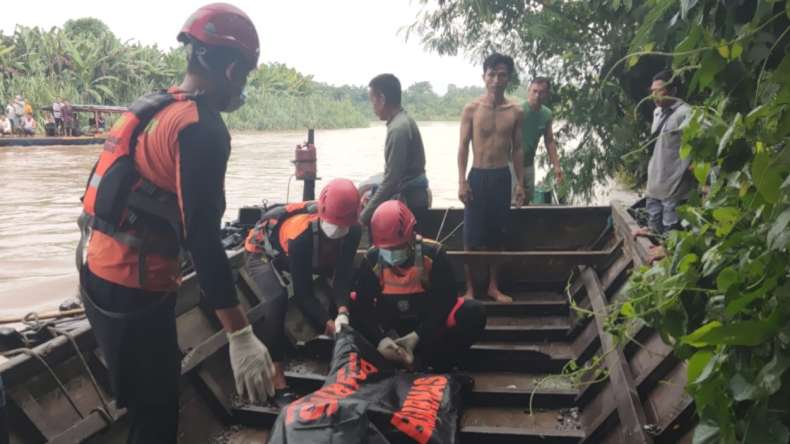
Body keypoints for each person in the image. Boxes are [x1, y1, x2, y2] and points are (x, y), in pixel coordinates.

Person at [76, 4, 269, 443]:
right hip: (132, 286)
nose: (243, 87)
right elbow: (201, 237)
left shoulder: (159, 106)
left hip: (97, 273)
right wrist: (239, 331)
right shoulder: (201, 128)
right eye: (246, 77)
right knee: (157, 415)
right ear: (233, 69)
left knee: (148, 402)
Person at [243, 178, 362, 404]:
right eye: (334, 225)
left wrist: (343, 311)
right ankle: (277, 379)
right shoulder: (302, 236)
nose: (338, 230)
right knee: (277, 298)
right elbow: (303, 294)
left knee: (348, 288)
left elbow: (343, 274)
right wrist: (327, 323)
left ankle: (336, 355)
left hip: (302, 252)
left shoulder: (353, 230)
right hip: (262, 249)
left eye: (343, 227)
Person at [353, 200, 486, 371]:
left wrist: (418, 336)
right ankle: (387, 359)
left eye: (397, 247)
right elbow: (363, 305)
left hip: (427, 331)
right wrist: (381, 339)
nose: (392, 254)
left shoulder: (434, 254)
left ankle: (434, 362)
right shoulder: (372, 259)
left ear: (411, 235)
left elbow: (446, 302)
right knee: (345, 310)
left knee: (473, 312)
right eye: (387, 249)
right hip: (388, 332)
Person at [458, 53, 525, 303]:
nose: (496, 80)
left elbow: (517, 149)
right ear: (484, 77)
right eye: (492, 74)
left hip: (500, 177)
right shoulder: (472, 109)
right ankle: (470, 289)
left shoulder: (515, 111)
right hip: (477, 175)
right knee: (470, 238)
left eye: (502, 75)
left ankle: (493, 287)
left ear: (508, 78)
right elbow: (463, 146)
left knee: (498, 236)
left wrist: (520, 183)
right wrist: (462, 181)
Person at [359, 74, 430, 234]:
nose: (373, 106)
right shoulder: (403, 120)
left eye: (373, 100)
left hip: (409, 202)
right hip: (414, 197)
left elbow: (391, 181)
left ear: (382, 99)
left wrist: (363, 216)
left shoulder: (398, 129)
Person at [643, 70, 693, 234]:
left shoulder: (686, 113)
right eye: (652, 91)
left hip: (674, 186)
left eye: (659, 90)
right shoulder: (657, 113)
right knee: (653, 228)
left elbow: (698, 146)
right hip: (654, 183)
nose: (654, 95)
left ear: (673, 91)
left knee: (671, 231)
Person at [520, 77, 563, 203]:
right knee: (515, 200)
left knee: (527, 200)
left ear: (547, 94)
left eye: (541, 92)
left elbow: (549, 141)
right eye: (535, 91)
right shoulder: (519, 111)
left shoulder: (547, 114)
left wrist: (557, 166)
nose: (537, 95)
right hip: (512, 163)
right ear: (529, 90)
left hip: (529, 164)